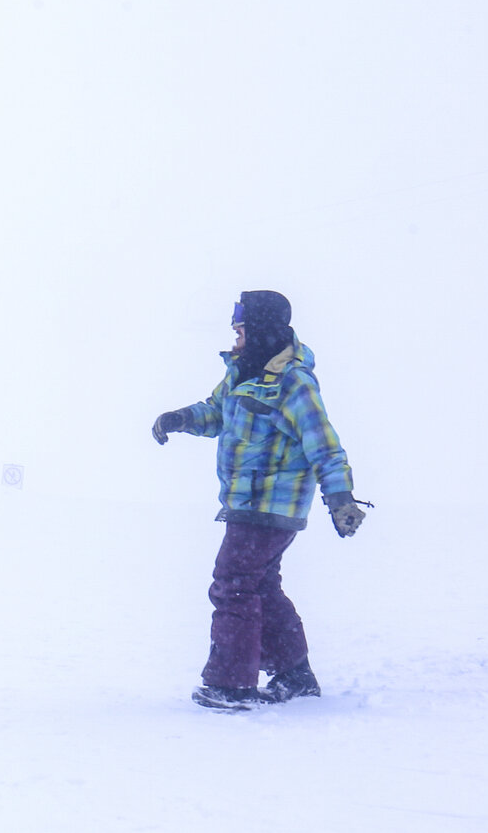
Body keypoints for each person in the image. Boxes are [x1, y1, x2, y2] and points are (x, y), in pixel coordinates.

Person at [151, 290, 368, 710]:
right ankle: (294, 675)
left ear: (261, 330)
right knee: (260, 586)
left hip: (272, 506)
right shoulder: (242, 374)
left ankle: (231, 684)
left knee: (233, 584)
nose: (235, 339)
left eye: (240, 330)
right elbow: (215, 412)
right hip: (247, 503)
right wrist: (180, 418)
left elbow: (324, 445)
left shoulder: (293, 382)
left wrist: (340, 498)